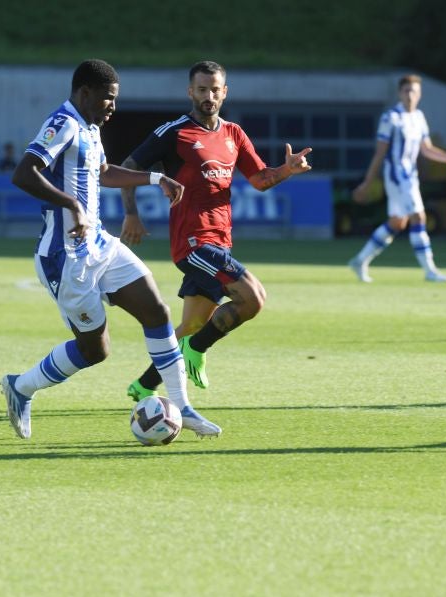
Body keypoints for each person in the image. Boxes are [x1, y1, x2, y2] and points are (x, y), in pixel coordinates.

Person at [1, 59, 221, 439]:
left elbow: (103, 173)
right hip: (65, 257)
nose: (113, 107)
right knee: (95, 350)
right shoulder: (64, 123)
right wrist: (71, 205)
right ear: (85, 93)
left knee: (156, 310)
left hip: (100, 243)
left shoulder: (90, 126)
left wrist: (155, 178)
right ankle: (20, 387)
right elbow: (24, 173)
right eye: (108, 99)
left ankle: (182, 407)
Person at [119, 60, 312, 401]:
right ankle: (197, 348)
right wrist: (131, 214)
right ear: (190, 91)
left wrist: (286, 170)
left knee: (190, 325)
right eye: (202, 89)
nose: (209, 95)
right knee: (253, 298)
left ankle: (145, 384)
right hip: (192, 244)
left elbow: (259, 180)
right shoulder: (174, 132)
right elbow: (128, 169)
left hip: (220, 243)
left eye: (215, 89)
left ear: (225, 93)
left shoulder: (233, 134)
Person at [348, 74, 446, 283]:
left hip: (410, 175)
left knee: (397, 223)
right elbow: (379, 153)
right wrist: (368, 182)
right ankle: (429, 270)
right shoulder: (391, 118)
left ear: (420, 94)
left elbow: (427, 150)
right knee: (419, 217)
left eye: (414, 91)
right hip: (397, 175)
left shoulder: (419, 117)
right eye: (406, 91)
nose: (410, 95)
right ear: (399, 93)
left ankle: (360, 260)